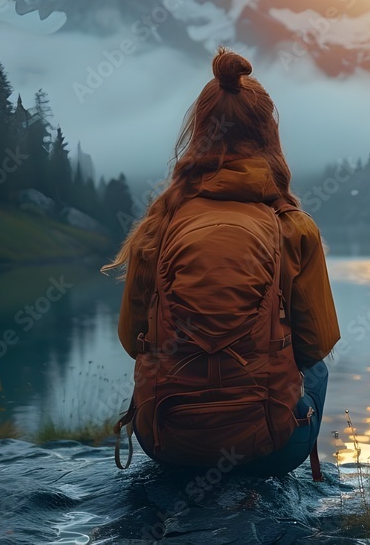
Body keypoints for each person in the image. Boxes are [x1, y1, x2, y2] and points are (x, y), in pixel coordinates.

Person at [103, 47, 340, 477]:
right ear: (269, 134)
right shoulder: (293, 226)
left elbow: (130, 338)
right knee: (318, 371)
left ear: (199, 132)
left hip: (166, 443)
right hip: (270, 448)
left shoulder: (160, 225)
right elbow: (315, 345)